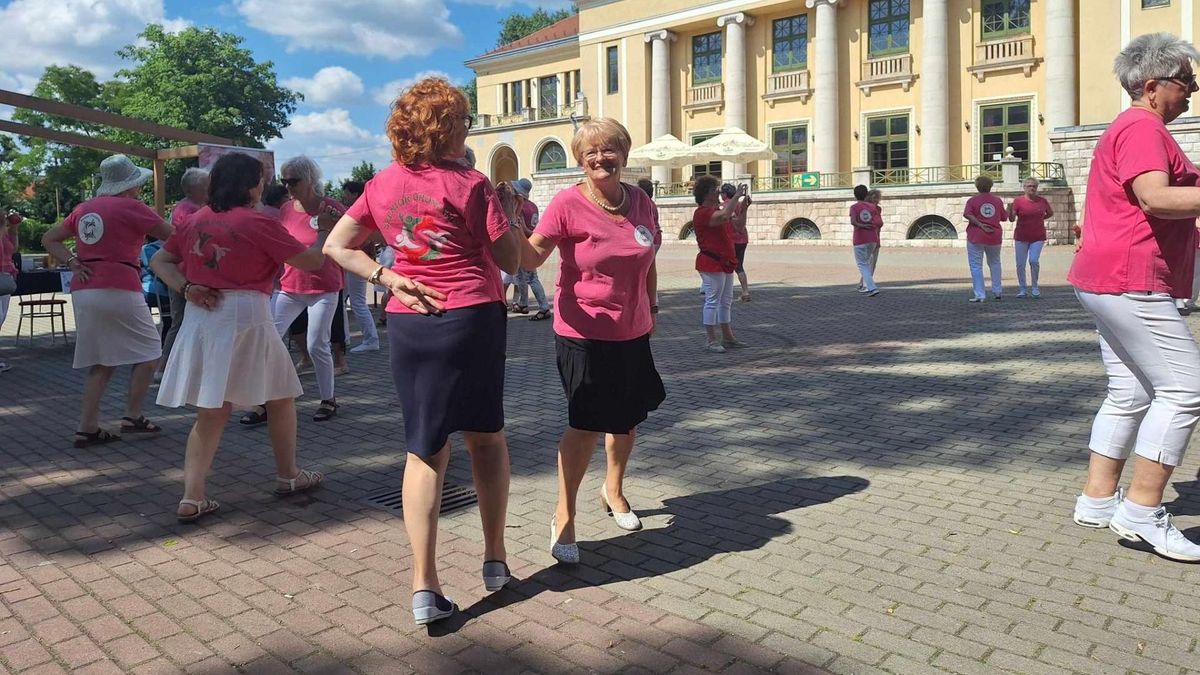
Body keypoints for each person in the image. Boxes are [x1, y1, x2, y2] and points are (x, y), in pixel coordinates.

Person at [323, 76, 520, 624]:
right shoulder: (471, 184)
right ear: (451, 127)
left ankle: (423, 587)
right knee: (486, 438)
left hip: (411, 321)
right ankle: (495, 560)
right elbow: (513, 261)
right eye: (464, 121)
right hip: (471, 315)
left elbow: (337, 246)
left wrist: (388, 277)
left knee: (424, 448)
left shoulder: (382, 183)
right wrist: (507, 210)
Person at [509, 118, 666, 566]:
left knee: (627, 419)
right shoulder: (567, 203)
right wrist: (510, 224)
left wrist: (651, 310)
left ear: (625, 153)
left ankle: (613, 490)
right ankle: (564, 513)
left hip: (632, 329)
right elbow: (532, 256)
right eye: (591, 152)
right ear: (580, 160)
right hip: (581, 333)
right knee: (586, 423)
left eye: (609, 149)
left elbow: (649, 259)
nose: (601, 158)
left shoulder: (641, 202)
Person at [1067, 33, 1200, 561]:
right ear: (1151, 86)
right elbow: (1156, 196)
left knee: (1131, 393)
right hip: (1131, 277)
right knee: (1186, 390)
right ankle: (1143, 512)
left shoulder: (1129, 126)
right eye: (1186, 83)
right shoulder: (1144, 127)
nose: (1192, 92)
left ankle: (1098, 500)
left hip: (1105, 277)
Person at [151, 152, 328, 523]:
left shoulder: (195, 219)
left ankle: (192, 495)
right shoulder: (258, 221)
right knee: (280, 397)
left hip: (203, 314)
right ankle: (289, 475)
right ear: (251, 184)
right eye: (261, 179)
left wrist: (186, 288)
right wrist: (326, 229)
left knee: (212, 410)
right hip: (247, 311)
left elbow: (159, 262)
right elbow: (311, 261)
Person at [41, 154, 173, 447]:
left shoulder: (83, 208)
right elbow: (172, 236)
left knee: (102, 359)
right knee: (151, 351)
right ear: (130, 186)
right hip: (121, 285)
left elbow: (49, 238)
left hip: (85, 287)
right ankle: (132, 415)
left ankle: (87, 427)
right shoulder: (134, 208)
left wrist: (73, 261)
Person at [272, 156, 346, 422]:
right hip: (290, 285)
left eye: (294, 180)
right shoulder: (286, 209)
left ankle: (328, 399)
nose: (288, 186)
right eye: (285, 181)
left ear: (311, 180)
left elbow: (353, 237)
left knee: (317, 344)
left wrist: (335, 225)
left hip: (323, 286)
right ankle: (272, 396)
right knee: (267, 337)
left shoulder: (331, 208)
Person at [159, 167, 209, 378]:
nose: (210, 189)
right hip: (183, 275)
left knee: (186, 321)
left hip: (188, 273)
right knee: (180, 321)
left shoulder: (194, 207)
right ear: (194, 189)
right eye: (207, 185)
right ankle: (164, 368)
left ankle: (180, 368)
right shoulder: (186, 210)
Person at [695, 176, 747, 352]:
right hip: (711, 262)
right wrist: (736, 196)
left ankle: (727, 337)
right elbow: (725, 216)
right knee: (712, 301)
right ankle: (711, 340)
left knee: (725, 301)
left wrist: (744, 208)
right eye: (714, 189)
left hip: (724, 262)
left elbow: (739, 226)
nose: (718, 191)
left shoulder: (718, 210)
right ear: (706, 194)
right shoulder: (702, 213)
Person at [340, 180, 381, 351]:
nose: (344, 196)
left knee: (357, 302)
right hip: (352, 261)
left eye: (347, 192)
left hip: (357, 261)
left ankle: (371, 340)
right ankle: (344, 338)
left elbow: (366, 239)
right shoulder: (357, 211)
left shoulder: (359, 212)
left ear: (355, 194)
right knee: (342, 301)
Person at [963, 175, 1007, 302]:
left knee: (976, 265)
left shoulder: (972, 201)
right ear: (991, 186)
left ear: (977, 187)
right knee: (995, 262)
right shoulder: (997, 201)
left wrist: (980, 224)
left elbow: (967, 214)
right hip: (994, 235)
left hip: (976, 235)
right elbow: (1004, 217)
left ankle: (980, 294)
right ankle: (997, 291)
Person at [512, 178, 551, 321]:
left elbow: (521, 227)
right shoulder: (533, 206)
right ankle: (523, 303)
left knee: (531, 278)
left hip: (523, 243)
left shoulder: (519, 207)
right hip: (531, 242)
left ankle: (544, 307)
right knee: (521, 276)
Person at [1009, 177, 1053, 299]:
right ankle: (1022, 288)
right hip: (1021, 236)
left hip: (1037, 236)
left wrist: (1039, 219)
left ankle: (1035, 286)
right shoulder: (1018, 201)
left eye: (1034, 186)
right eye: (1029, 186)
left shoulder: (1042, 201)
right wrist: (1010, 210)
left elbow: (1050, 213)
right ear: (1024, 188)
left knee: (1033, 260)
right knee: (1020, 264)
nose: (1032, 188)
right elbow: (1012, 218)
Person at [723, 183, 753, 302]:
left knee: (727, 266)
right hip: (742, 238)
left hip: (730, 239)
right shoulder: (740, 204)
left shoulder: (725, 205)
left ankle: (725, 292)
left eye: (721, 193)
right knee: (739, 266)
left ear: (725, 194)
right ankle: (745, 291)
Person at [850, 185, 881, 297]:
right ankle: (866, 286)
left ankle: (871, 287)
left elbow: (853, 221)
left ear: (855, 195)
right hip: (873, 238)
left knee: (862, 264)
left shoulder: (854, 207)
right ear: (866, 194)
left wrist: (861, 225)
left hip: (860, 238)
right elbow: (878, 222)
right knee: (866, 263)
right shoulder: (873, 208)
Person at [140, 236, 171, 343]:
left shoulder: (146, 249)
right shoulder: (168, 247)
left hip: (150, 293)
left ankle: (145, 333)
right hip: (168, 293)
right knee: (170, 319)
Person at [0, 209, 19, 374]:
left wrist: (14, 228)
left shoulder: (4, 232)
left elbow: (13, 248)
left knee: (2, 316)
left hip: (5, 277)